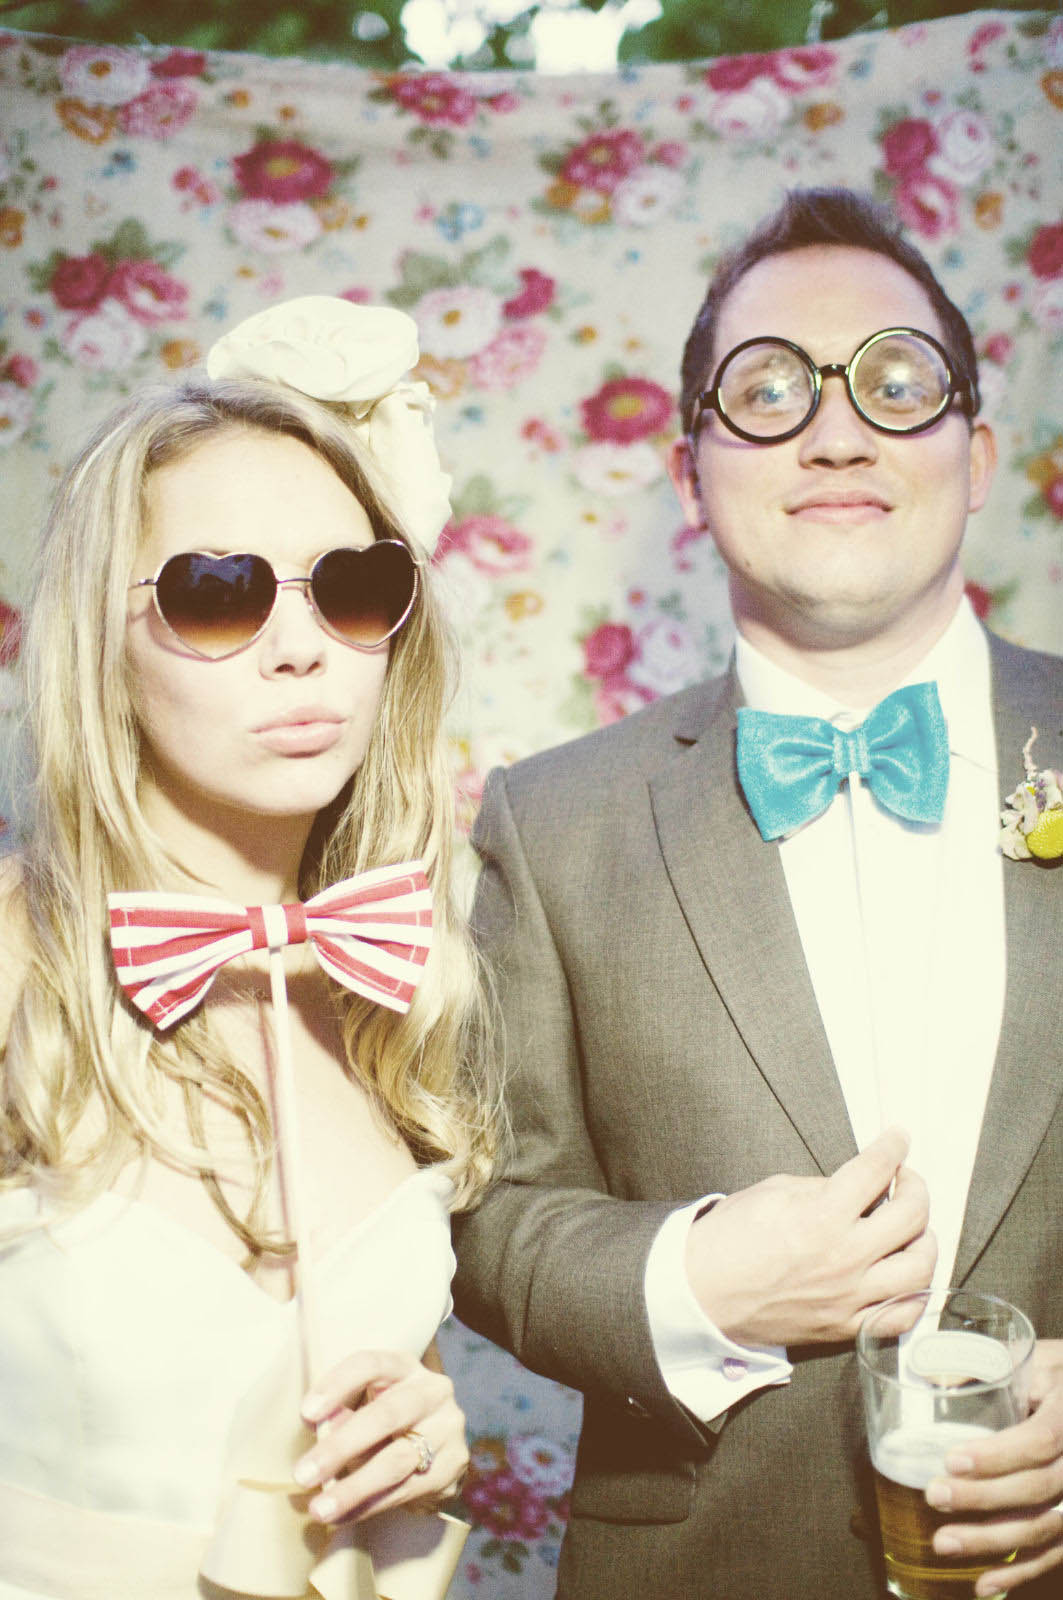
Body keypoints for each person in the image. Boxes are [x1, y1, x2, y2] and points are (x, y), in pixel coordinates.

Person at [452, 188, 1063, 1599]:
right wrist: (696, 1281)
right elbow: (487, 1219)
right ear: (691, 474)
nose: (837, 433)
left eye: (896, 384)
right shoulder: (553, 823)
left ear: (975, 456)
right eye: (771, 389)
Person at [0, 296, 498, 1599]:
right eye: (218, 594)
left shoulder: (392, 986)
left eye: (352, 589)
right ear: (100, 648)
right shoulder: (12, 964)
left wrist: (426, 1441)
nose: (300, 652)